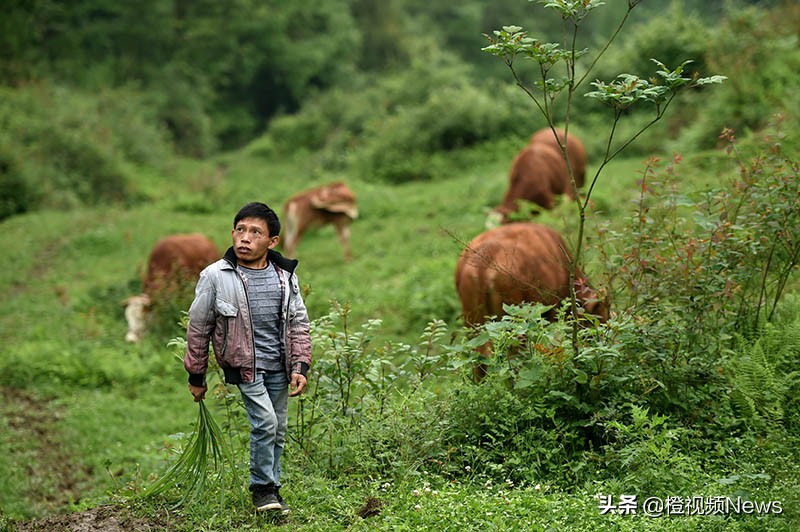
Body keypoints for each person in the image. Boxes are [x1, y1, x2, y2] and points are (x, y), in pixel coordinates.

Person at [183, 201, 312, 513]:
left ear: (272, 242)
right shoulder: (216, 276)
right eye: (240, 230)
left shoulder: (285, 275)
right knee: (265, 422)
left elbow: (298, 322)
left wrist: (300, 365)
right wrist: (196, 375)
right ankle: (261, 489)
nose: (245, 237)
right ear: (232, 233)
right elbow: (199, 326)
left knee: (278, 427)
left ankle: (273, 488)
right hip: (244, 366)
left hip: (279, 365)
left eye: (255, 232)